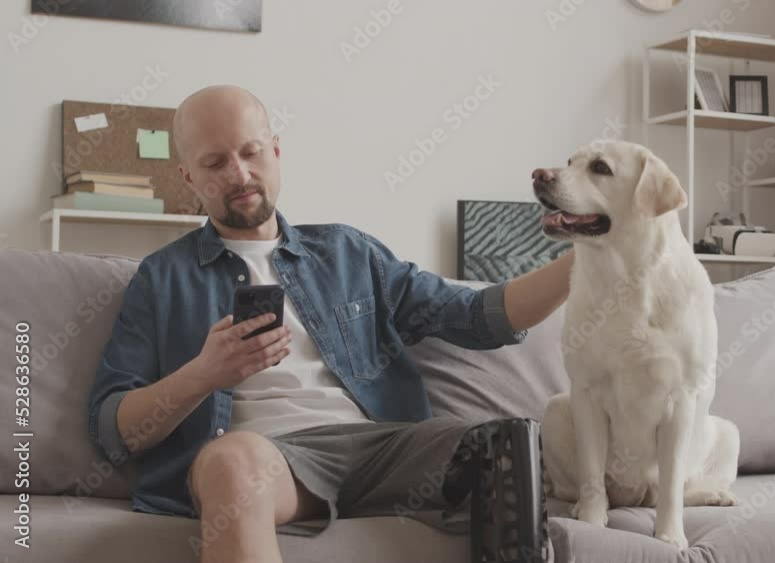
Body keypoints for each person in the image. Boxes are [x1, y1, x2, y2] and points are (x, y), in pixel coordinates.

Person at [87, 85, 573, 563]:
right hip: (269, 463)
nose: (239, 174)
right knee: (232, 465)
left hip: (382, 451)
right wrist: (204, 374)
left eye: (251, 152)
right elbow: (115, 430)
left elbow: (478, 317)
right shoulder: (162, 277)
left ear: (276, 151)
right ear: (188, 177)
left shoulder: (348, 253)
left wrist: (589, 262)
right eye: (215, 163)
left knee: (509, 441)